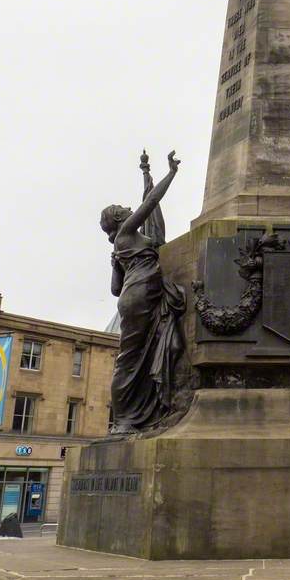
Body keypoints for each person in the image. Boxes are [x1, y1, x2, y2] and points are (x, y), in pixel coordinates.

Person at [99, 150, 186, 433]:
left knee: (135, 356)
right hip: (139, 297)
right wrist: (171, 173)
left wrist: (118, 266)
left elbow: (114, 290)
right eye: (122, 209)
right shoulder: (126, 234)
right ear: (118, 218)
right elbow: (151, 201)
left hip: (139, 296)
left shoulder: (123, 244)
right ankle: (123, 419)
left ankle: (132, 415)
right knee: (129, 358)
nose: (127, 208)